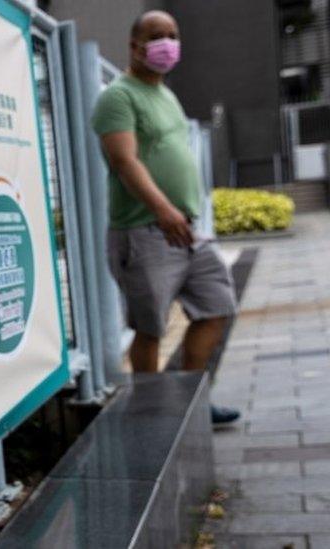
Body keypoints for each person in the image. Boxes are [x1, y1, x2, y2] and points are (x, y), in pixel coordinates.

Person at [91, 10, 240, 424]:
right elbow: (124, 161)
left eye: (173, 35)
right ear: (134, 46)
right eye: (157, 36)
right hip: (144, 231)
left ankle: (192, 400)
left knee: (216, 307)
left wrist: (181, 214)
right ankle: (153, 412)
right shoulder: (118, 97)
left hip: (187, 230)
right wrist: (163, 209)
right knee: (150, 328)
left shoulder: (167, 95)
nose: (167, 43)